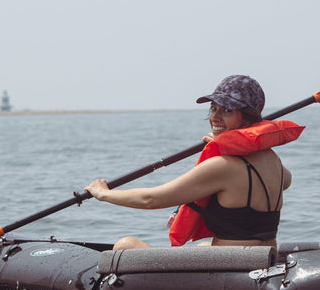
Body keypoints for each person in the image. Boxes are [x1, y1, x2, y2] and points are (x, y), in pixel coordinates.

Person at [85, 75, 292, 250]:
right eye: (213, 108)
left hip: (231, 268)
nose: (215, 117)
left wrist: (105, 194)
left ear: (247, 119)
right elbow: (286, 181)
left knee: (125, 245)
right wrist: (227, 146)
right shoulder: (273, 159)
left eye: (227, 110)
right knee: (202, 247)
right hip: (263, 258)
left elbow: (151, 199)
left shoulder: (223, 166)